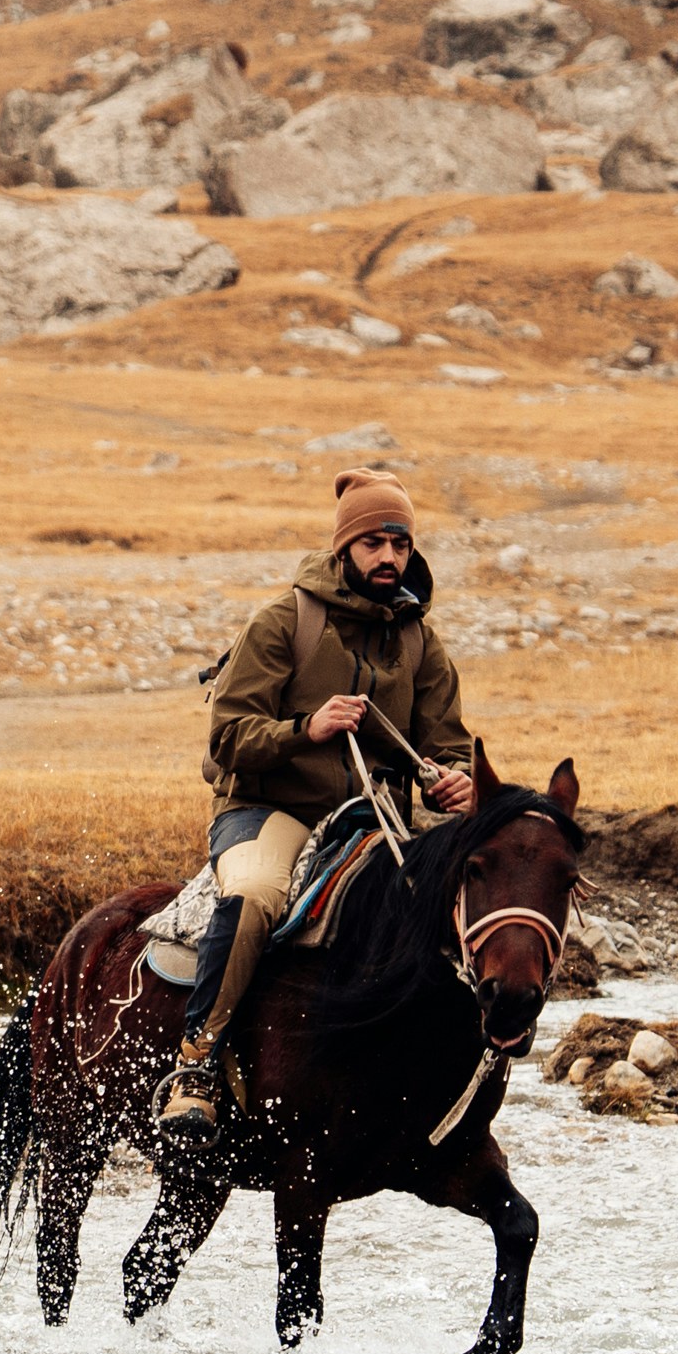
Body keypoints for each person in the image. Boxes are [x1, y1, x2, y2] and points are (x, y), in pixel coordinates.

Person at [160, 467, 478, 1146]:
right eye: (373, 543)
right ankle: (197, 1066)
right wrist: (306, 729)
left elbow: (447, 746)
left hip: (375, 820)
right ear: (344, 548)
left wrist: (455, 781)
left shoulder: (420, 642)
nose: (389, 557)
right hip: (268, 810)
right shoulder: (284, 622)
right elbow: (227, 738)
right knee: (254, 896)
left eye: (400, 543)